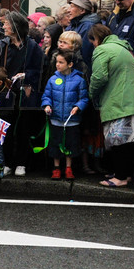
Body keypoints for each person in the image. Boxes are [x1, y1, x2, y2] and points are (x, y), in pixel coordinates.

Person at [88, 24, 134, 187]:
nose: (92, 44)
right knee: (128, 140)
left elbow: (99, 77)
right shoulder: (123, 47)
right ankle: (124, 174)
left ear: (96, 38)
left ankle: (120, 177)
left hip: (120, 99)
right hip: (133, 98)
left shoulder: (103, 50)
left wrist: (91, 94)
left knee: (119, 140)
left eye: (92, 41)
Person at [0, 11, 43, 177]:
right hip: (7, 94)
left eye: (6, 24)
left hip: (26, 94)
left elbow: (40, 70)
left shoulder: (32, 47)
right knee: (6, 129)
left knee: (24, 129)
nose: (3, 26)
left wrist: (26, 76)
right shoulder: (2, 45)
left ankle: (22, 163)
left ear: (15, 27)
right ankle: (7, 162)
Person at [42, 49, 89, 180]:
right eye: (57, 62)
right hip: (56, 118)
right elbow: (47, 96)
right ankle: (56, 168)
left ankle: (69, 167)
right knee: (55, 143)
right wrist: (47, 105)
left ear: (70, 64)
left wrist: (78, 107)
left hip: (71, 119)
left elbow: (84, 98)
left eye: (61, 62)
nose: (57, 65)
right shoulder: (53, 79)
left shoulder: (79, 80)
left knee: (70, 144)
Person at [67, 0, 99, 70]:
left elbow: (85, 53)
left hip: (81, 69)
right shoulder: (74, 24)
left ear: (82, 11)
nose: (69, 10)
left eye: (72, 7)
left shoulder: (88, 26)